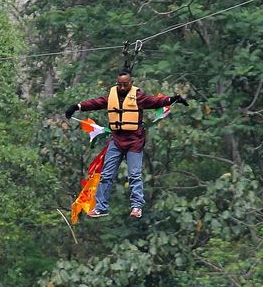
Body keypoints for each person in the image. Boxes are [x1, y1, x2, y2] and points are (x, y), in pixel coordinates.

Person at [65, 70, 187, 218]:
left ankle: (137, 207)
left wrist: (173, 99)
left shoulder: (138, 97)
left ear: (131, 83)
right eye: (120, 85)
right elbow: (95, 103)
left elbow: (155, 101)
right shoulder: (111, 97)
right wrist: (76, 107)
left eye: (125, 85)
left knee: (134, 174)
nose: (122, 88)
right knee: (106, 174)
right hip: (116, 140)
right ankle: (101, 207)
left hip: (134, 141)